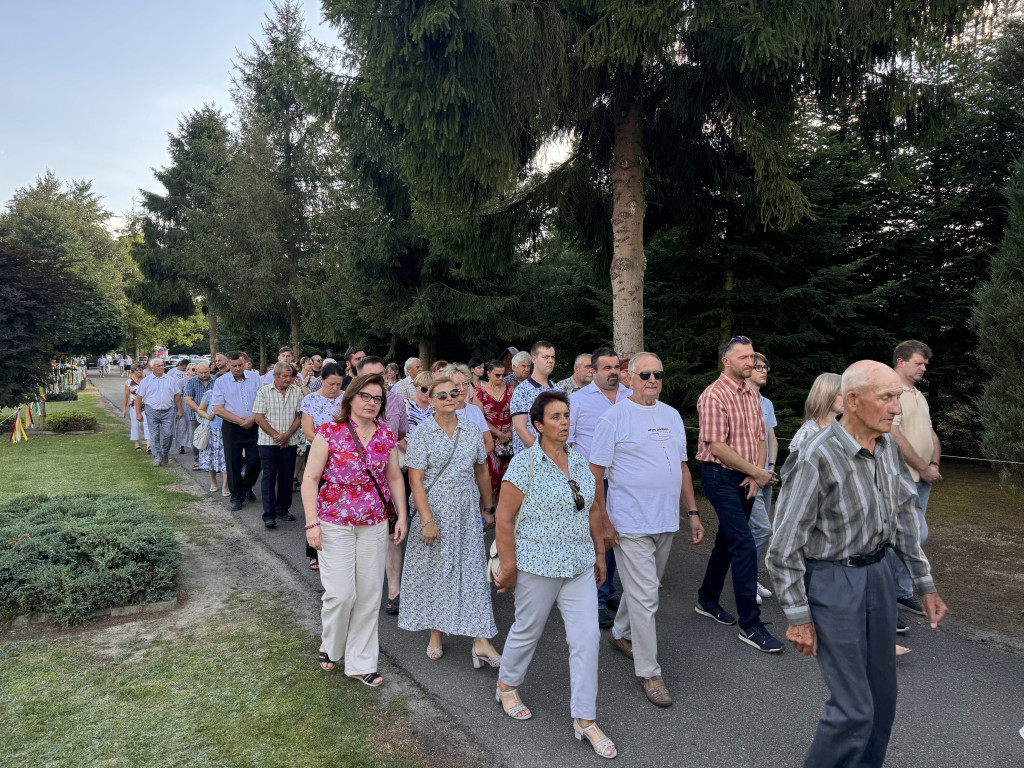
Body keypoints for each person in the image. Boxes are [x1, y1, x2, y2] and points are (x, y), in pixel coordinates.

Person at [766, 360, 948, 768]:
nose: (895, 408)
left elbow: (903, 520)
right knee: (853, 709)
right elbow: (783, 547)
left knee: (882, 700)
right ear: (851, 400)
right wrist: (797, 616)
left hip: (880, 575)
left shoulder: (886, 449)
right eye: (886, 397)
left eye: (896, 397)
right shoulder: (816, 455)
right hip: (833, 581)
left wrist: (925, 584)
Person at [493, 391, 616, 759]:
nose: (564, 422)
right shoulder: (525, 464)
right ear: (538, 425)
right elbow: (503, 518)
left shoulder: (580, 462)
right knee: (527, 629)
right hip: (537, 565)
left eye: (566, 415)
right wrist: (509, 567)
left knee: (587, 639)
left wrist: (599, 553)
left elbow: (591, 509)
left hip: (578, 564)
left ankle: (584, 719)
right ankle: (507, 685)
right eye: (556, 417)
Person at [590, 352, 703, 707]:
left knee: (644, 590)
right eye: (645, 374)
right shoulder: (615, 417)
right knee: (646, 597)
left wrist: (694, 512)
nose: (652, 379)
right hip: (630, 523)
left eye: (658, 374)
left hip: (665, 519)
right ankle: (649, 672)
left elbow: (682, 468)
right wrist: (604, 519)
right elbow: (595, 472)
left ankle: (620, 632)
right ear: (629, 378)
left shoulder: (670, 415)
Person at [301, 373, 409, 688]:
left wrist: (400, 516)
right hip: (334, 522)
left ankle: (361, 663)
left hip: (374, 524)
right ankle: (331, 644)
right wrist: (311, 522)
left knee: (369, 594)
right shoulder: (329, 432)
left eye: (377, 398)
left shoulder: (386, 435)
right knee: (340, 594)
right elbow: (309, 480)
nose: (371, 403)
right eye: (365, 396)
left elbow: (394, 478)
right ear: (351, 397)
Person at [398, 377, 500, 665]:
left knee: (472, 573)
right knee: (437, 573)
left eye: (453, 393)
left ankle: (481, 640)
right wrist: (428, 521)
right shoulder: (422, 434)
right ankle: (436, 634)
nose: (448, 398)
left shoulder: (470, 430)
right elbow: (415, 482)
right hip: (434, 512)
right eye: (440, 395)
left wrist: (488, 507)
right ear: (430, 401)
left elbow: (481, 471)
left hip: (467, 511)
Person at [694, 336, 783, 653]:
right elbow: (717, 447)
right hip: (720, 476)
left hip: (748, 477)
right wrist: (756, 472)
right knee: (744, 543)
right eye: (744, 357)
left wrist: (758, 474)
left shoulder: (751, 394)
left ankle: (707, 599)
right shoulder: (713, 396)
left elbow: (761, 439)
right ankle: (751, 625)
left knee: (728, 540)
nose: (751, 362)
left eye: (752, 357)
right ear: (726, 361)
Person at [568, 346, 631, 629]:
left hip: (624, 479)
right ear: (593, 371)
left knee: (616, 536)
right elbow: (565, 442)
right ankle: (596, 596)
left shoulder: (631, 397)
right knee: (597, 537)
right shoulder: (578, 400)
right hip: (592, 479)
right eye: (607, 368)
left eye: (616, 367)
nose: (613, 372)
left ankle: (610, 593)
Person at [888, 339, 942, 616]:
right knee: (911, 534)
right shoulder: (891, 392)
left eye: (925, 364)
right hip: (902, 476)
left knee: (910, 536)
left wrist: (932, 464)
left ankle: (902, 592)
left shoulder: (917, 395)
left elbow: (931, 434)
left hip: (922, 478)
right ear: (901, 362)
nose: (924, 367)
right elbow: (895, 436)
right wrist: (922, 467)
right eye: (919, 363)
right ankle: (892, 592)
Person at [358, 356, 410, 614]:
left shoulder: (398, 401)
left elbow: (400, 432)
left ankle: (394, 590)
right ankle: (360, 591)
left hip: (386, 481)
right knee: (359, 538)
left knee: (392, 537)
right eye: (371, 376)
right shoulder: (345, 403)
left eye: (381, 375)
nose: (378, 381)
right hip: (354, 486)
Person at [300, 362, 346, 569]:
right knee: (317, 500)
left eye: (338, 384)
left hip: (344, 457)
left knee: (340, 502)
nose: (335, 389)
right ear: (322, 381)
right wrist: (330, 446)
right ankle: (314, 552)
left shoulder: (347, 399)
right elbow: (309, 432)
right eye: (330, 384)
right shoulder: (310, 400)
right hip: (318, 454)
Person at [252, 362, 304, 529]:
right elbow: (259, 417)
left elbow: (300, 416)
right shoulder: (264, 391)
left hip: (290, 441)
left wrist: (287, 435)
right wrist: (277, 436)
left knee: (286, 476)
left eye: (291, 376)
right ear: (275, 376)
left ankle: (282, 510)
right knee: (268, 477)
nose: (288, 380)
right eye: (285, 376)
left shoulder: (297, 391)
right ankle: (269, 515)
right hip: (268, 442)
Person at [211, 351, 263, 512]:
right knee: (233, 461)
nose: (237, 368)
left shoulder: (255, 377)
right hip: (232, 426)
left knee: (256, 459)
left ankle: (246, 486)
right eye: (234, 366)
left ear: (245, 363)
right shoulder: (221, 382)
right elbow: (218, 409)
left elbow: (263, 400)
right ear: (228, 365)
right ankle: (237, 497)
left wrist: (252, 419)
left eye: (240, 365)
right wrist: (240, 421)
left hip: (254, 424)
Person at [746, 352, 778, 605]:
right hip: (748, 475)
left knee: (756, 530)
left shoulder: (765, 402)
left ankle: (751, 576)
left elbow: (772, 438)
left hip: (766, 474)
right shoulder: (739, 400)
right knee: (761, 530)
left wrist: (772, 467)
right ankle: (745, 580)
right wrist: (755, 471)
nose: (763, 370)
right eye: (758, 367)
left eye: (765, 367)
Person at [510, 341, 558, 455]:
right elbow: (521, 429)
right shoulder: (522, 391)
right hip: (530, 461)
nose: (550, 361)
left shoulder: (558, 390)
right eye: (546, 357)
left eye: (552, 357)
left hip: (556, 457)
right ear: (534, 359)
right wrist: (543, 455)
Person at [476, 359, 515, 498]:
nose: (501, 378)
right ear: (488, 374)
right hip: (490, 440)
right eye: (497, 375)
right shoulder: (479, 393)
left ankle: (502, 517)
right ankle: (487, 514)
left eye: (503, 375)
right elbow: (480, 419)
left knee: (508, 483)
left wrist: (509, 432)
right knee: (489, 480)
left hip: (508, 441)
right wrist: (499, 434)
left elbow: (515, 413)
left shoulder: (510, 389)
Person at [134, 358, 182, 467]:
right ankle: (157, 457)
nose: (162, 367)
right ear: (152, 368)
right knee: (154, 435)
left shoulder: (170, 380)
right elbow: (139, 398)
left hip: (168, 411)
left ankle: (165, 452)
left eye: (162, 365)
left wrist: (179, 410)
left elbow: (177, 396)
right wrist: (138, 413)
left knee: (169, 434)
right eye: (159, 366)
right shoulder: (146, 381)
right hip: (152, 411)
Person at [789, 373, 844, 452]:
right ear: (826, 395)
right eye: (842, 394)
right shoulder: (811, 430)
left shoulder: (842, 428)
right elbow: (801, 462)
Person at [183, 363, 215, 472]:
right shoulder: (191, 382)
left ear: (210, 370)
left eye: (206, 372)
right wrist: (200, 411)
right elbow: (188, 399)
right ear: (197, 372)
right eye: (201, 373)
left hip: (213, 415)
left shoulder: (215, 380)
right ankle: (197, 460)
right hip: (195, 414)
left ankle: (210, 461)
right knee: (196, 438)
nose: (203, 375)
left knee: (212, 438)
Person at [197, 387, 229, 496]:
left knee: (226, 458)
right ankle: (213, 481)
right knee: (211, 457)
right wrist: (207, 415)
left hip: (227, 430)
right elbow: (200, 409)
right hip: (211, 430)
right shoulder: (209, 394)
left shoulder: (231, 393)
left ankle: (225, 486)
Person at [122, 365, 150, 452]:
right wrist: (124, 409)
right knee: (135, 424)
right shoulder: (129, 382)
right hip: (134, 406)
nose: (139, 372)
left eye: (141, 370)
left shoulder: (147, 379)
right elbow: (126, 396)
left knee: (147, 424)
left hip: (146, 405)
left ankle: (149, 444)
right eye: (137, 370)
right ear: (134, 371)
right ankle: (136, 444)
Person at [167, 358, 191, 455]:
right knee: (181, 425)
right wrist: (179, 409)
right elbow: (178, 395)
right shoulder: (173, 373)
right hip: (181, 403)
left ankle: (192, 444)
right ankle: (181, 445)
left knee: (192, 426)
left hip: (194, 406)